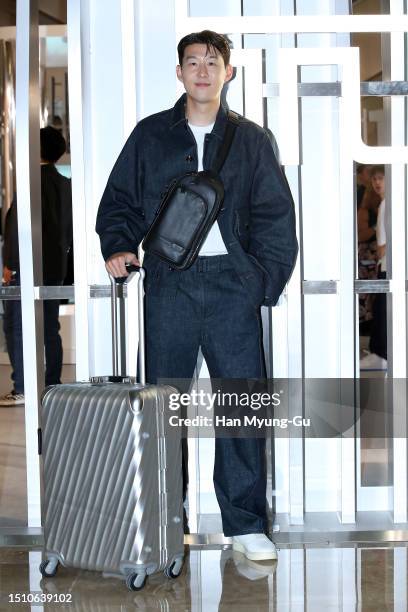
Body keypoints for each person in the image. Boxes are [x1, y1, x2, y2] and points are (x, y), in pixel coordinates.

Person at [96, 30, 298, 561]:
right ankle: (164, 527)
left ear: (228, 72)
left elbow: (277, 216)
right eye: (193, 63)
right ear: (180, 73)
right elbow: (118, 200)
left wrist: (261, 280)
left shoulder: (251, 140)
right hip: (171, 286)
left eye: (213, 62)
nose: (203, 71)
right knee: (163, 407)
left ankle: (246, 524)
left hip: (233, 287)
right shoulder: (150, 136)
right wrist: (118, 245)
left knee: (240, 406)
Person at [0, 126, 73, 406]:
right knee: (49, 328)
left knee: (16, 325)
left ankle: (23, 388)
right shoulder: (64, 184)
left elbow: (18, 227)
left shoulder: (30, 182)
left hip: (26, 266)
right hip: (55, 267)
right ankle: (52, 385)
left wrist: (10, 264)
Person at [360, 165, 387, 369]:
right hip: (383, 264)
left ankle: (381, 353)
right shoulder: (384, 204)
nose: (377, 183)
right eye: (374, 179)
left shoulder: (387, 204)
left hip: (386, 264)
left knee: (382, 308)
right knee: (380, 308)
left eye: (381, 178)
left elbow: (383, 245)